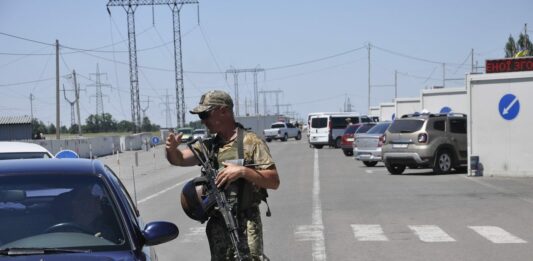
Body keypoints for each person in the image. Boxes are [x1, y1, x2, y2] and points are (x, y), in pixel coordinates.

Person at [166, 90, 280, 261]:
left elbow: (273, 180)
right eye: (201, 116)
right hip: (219, 223)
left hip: (246, 222)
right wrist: (171, 149)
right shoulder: (209, 146)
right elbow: (179, 159)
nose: (203, 121)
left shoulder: (251, 142)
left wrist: (242, 171)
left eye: (206, 114)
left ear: (224, 111)